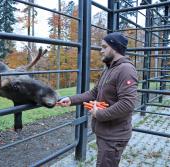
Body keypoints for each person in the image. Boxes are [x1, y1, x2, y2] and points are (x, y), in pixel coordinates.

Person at [57, 32, 138, 167]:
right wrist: (71, 100)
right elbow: (94, 93)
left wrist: (99, 114)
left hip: (114, 136)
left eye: (104, 47)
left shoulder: (126, 70)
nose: (101, 51)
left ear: (114, 47)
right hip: (106, 133)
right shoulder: (108, 69)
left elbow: (128, 103)